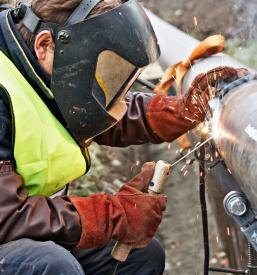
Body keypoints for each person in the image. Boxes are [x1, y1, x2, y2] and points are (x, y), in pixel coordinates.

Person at [0, 0, 244, 274]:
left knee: (141, 257)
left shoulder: (37, 65)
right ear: (44, 46)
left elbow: (89, 108)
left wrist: (180, 111)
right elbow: (6, 217)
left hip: (22, 230)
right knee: (51, 266)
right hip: (9, 232)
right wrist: (111, 215)